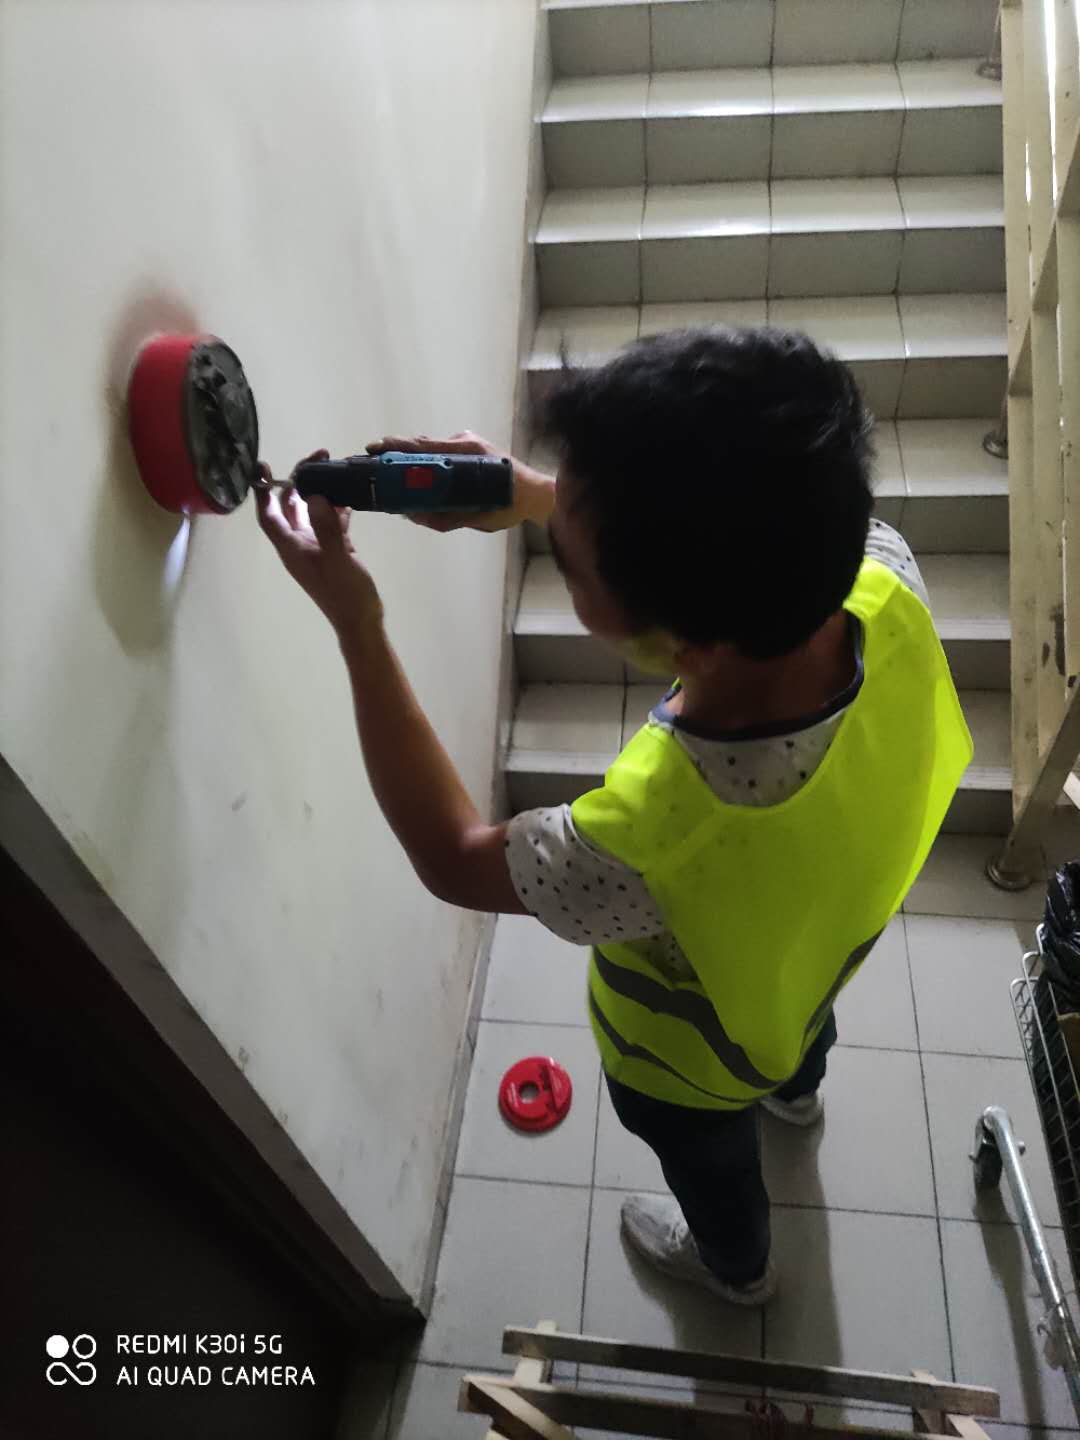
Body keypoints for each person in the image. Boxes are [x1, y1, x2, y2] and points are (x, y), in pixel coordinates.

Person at [256, 325, 973, 1305]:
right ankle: (797, 1097)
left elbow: (453, 855)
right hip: (825, 944)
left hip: (694, 1062)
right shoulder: (881, 570)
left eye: (570, 566)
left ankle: (736, 1270)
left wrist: (358, 624)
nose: (554, 545)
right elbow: (737, 508)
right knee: (799, 1029)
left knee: (712, 1165)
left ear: (685, 645)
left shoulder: (654, 836)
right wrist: (539, 495)